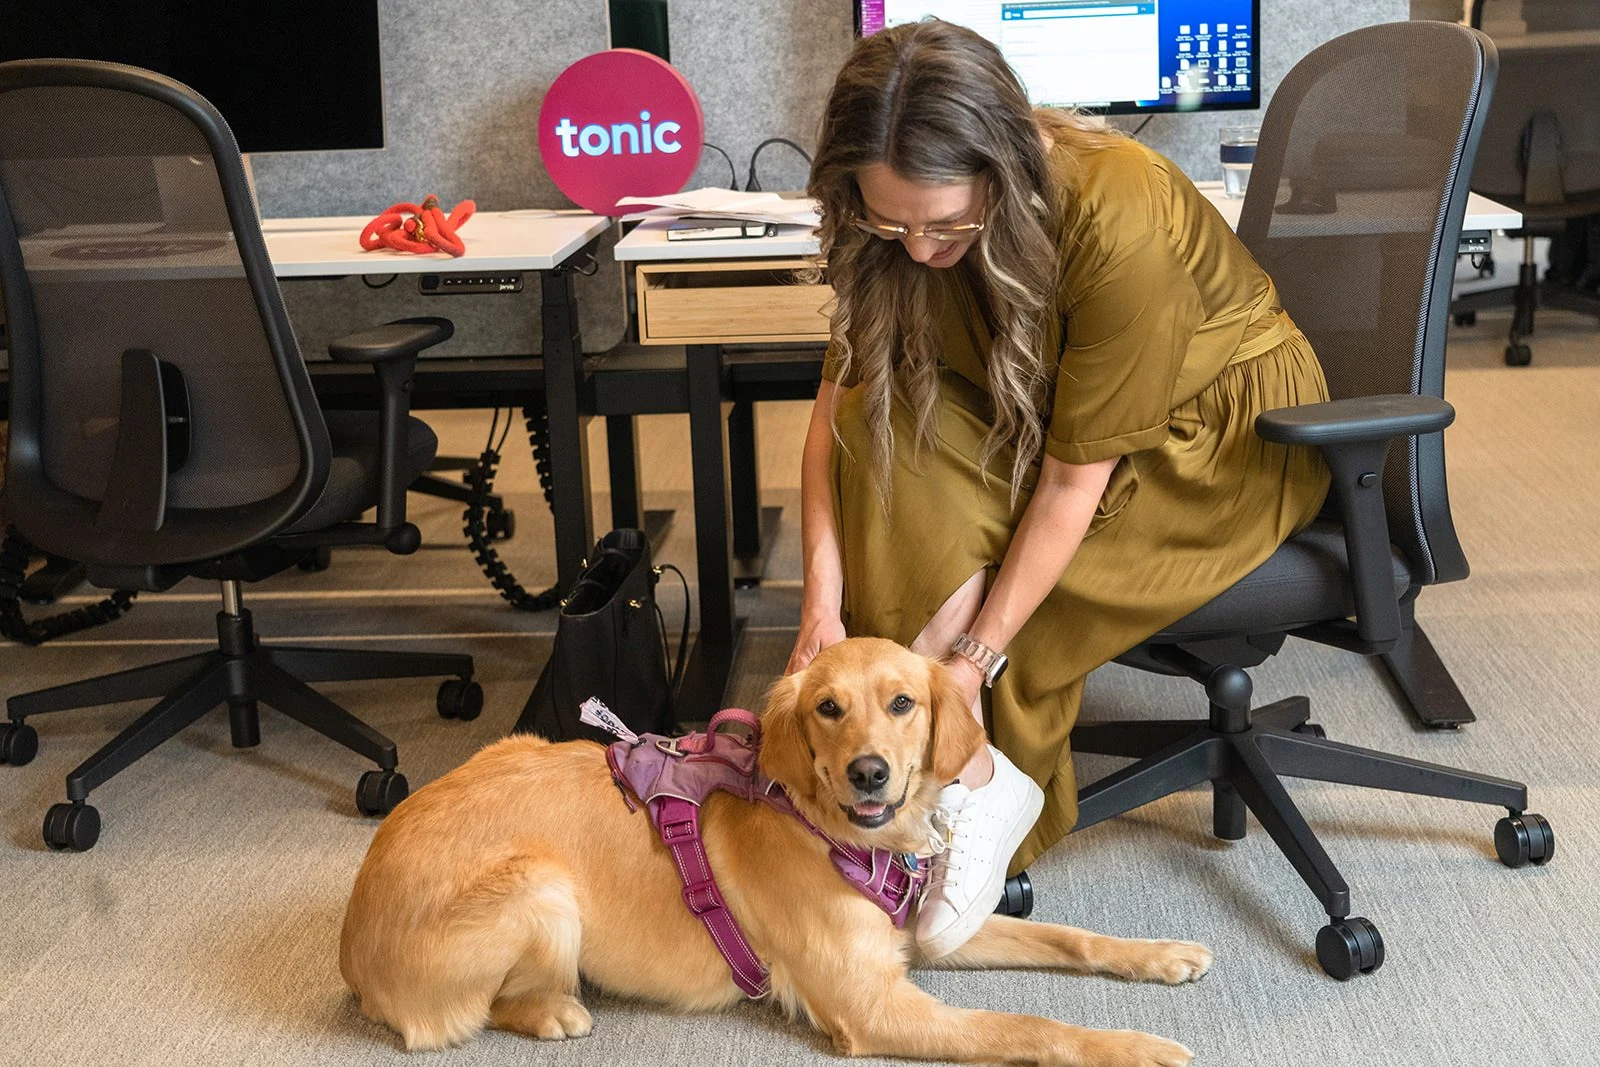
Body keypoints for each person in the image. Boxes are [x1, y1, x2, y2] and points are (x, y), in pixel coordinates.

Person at [788, 19, 1332, 960]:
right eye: (891, 222)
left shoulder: (1118, 213)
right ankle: (948, 767)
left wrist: (969, 664)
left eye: (946, 224)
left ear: (1001, 166)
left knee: (1016, 595)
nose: (918, 250)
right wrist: (820, 609)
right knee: (883, 453)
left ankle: (968, 782)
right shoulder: (897, 231)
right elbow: (833, 414)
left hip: (1221, 436)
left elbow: (1076, 480)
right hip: (1045, 402)